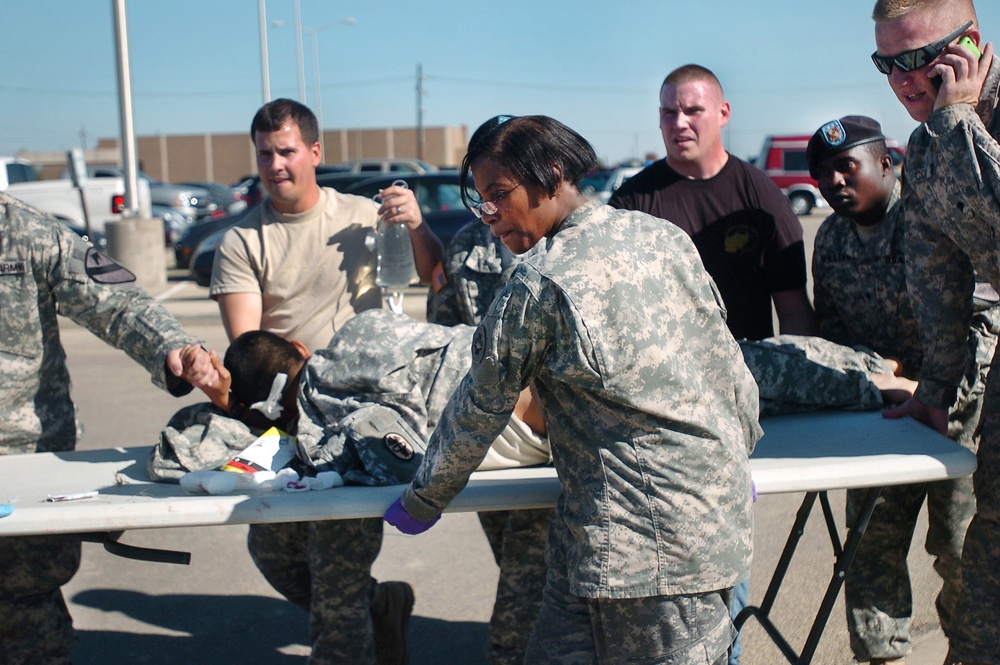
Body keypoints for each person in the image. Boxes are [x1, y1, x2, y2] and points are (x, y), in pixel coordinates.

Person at [382, 114, 761, 664]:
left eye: (499, 195)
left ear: (552, 173)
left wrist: (423, 498)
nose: (489, 217)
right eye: (480, 201)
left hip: (650, 558)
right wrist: (731, 459)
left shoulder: (541, 280)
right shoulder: (663, 238)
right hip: (611, 538)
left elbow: (479, 406)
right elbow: (733, 373)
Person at [209, 98, 444, 665]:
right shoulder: (243, 243)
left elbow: (435, 275)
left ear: (315, 152)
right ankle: (378, 607)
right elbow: (248, 357)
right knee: (272, 550)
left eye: (286, 150)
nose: (275, 164)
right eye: (265, 153)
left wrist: (415, 224)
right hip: (285, 422)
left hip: (356, 427)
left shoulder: (365, 218)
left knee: (335, 594)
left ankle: (352, 628)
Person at [808, 114, 999, 664]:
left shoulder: (936, 220)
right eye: (823, 175)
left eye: (847, 167)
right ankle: (880, 656)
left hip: (957, 418)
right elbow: (833, 332)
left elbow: (984, 328)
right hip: (882, 419)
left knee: (960, 549)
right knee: (871, 550)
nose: (835, 182)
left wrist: (932, 390)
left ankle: (967, 654)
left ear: (887, 164)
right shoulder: (830, 238)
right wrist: (873, 384)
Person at [0, 191, 218, 664]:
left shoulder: (28, 231)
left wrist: (174, 348)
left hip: (22, 464)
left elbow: (116, 302)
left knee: (24, 616)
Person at [871, 2, 1000, 663]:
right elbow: (937, 280)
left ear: (971, 44)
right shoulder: (926, 150)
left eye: (919, 58)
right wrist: (937, 390)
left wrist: (957, 124)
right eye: (887, 63)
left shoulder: (951, 130)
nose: (903, 79)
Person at [609, 63, 818, 341]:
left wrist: (794, 375)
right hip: (664, 378)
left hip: (749, 373)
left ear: (723, 113)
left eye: (693, 111)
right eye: (669, 113)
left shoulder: (759, 195)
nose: (679, 122)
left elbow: (793, 308)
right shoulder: (631, 202)